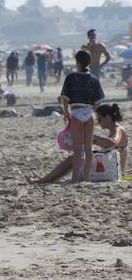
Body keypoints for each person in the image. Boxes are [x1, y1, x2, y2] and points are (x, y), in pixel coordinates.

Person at [31, 103, 124, 183]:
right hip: (111, 168)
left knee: (73, 160)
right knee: (75, 159)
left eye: (99, 119)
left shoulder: (117, 129)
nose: (98, 123)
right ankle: (48, 179)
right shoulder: (113, 129)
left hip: (114, 171)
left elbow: (113, 142)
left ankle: (44, 180)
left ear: (108, 118)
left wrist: (93, 137)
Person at [59, 48, 106, 182]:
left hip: (76, 112)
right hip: (88, 113)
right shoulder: (94, 79)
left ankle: (74, 179)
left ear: (77, 62)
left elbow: (65, 99)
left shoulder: (71, 77)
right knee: (88, 148)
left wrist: (66, 112)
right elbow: (98, 101)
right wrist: (92, 110)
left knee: (77, 149)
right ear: (89, 62)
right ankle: (86, 178)